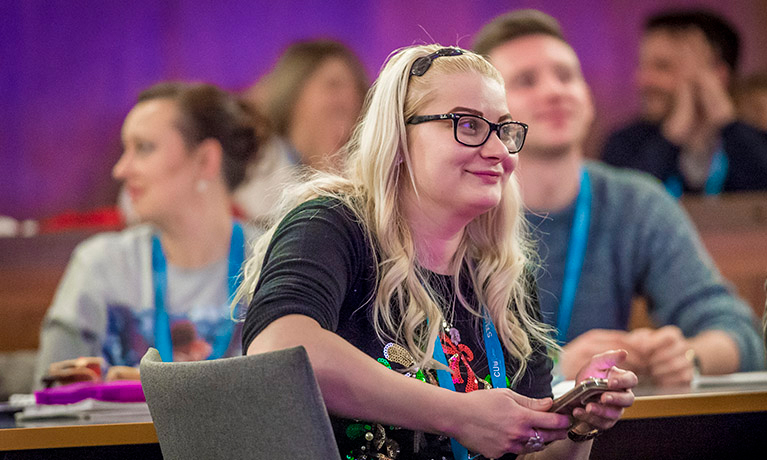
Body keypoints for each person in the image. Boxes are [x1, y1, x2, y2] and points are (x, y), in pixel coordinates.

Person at [238, 44, 636, 460]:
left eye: (503, 129)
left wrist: (575, 427)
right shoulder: (333, 224)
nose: (500, 151)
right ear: (400, 137)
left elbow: (530, 456)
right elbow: (280, 351)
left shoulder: (502, 276)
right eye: (467, 125)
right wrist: (458, 415)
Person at [473, 10, 766, 387]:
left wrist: (687, 357)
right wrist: (558, 366)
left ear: (588, 100)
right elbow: (425, 360)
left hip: (603, 432)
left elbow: (735, 328)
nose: (554, 91)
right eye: (526, 81)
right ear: (487, 114)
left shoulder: (634, 201)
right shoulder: (465, 207)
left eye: (566, 76)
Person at [34, 82, 263, 387]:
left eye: (143, 148)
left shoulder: (272, 260)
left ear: (205, 160)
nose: (120, 169)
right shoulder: (100, 266)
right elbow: (49, 402)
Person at [600, 9, 767, 196]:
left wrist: (727, 123)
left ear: (716, 75)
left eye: (662, 67)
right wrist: (672, 136)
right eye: (642, 65)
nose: (643, 80)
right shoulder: (625, 144)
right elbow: (623, 203)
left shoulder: (755, 141)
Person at [234, 39, 368, 225]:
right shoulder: (254, 166)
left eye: (358, 89)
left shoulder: (363, 176)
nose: (350, 98)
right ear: (292, 92)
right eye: (333, 85)